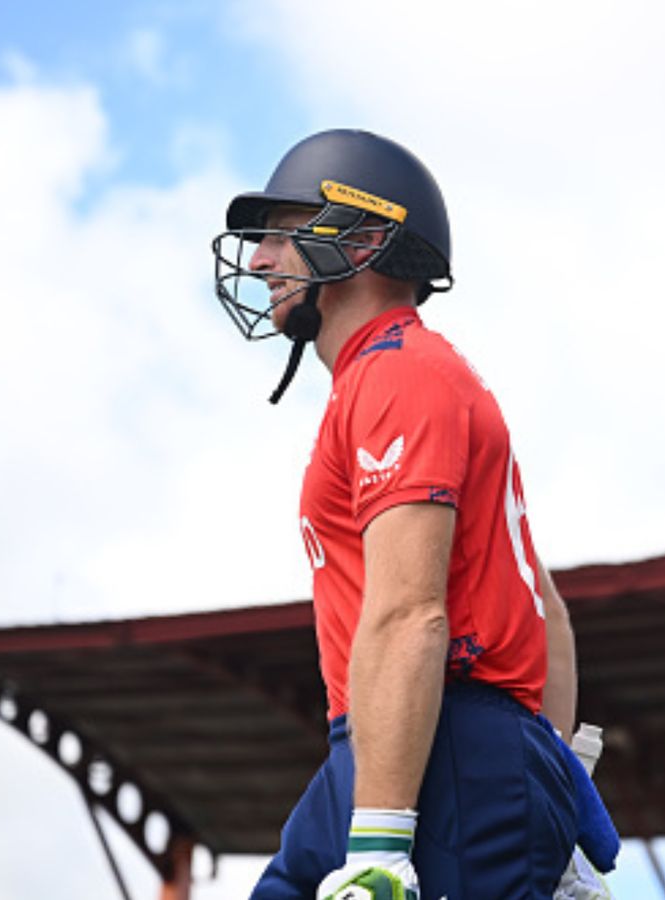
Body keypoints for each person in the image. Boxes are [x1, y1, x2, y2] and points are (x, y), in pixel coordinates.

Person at [212, 129, 616, 900]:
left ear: (364, 237)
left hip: (447, 751)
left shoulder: (398, 372)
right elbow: (549, 615)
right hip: (398, 744)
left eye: (281, 233)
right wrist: (554, 781)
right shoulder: (409, 372)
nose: (259, 260)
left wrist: (381, 846)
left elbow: (409, 614)